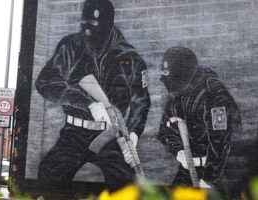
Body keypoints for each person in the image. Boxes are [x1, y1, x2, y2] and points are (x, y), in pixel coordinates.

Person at [35, 0, 151, 187]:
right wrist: (87, 103)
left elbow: (141, 101)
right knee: (48, 176)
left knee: (125, 186)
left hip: (112, 134)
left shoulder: (129, 58)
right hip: (74, 133)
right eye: (83, 21)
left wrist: (133, 135)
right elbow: (45, 82)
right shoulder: (70, 46)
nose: (86, 29)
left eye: (94, 23)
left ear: (107, 24)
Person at [158, 46, 242, 188]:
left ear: (181, 74)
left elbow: (221, 141)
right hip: (191, 167)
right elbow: (165, 129)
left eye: (168, 73)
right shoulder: (177, 93)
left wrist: (209, 177)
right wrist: (179, 151)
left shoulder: (214, 96)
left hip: (219, 170)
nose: (163, 79)